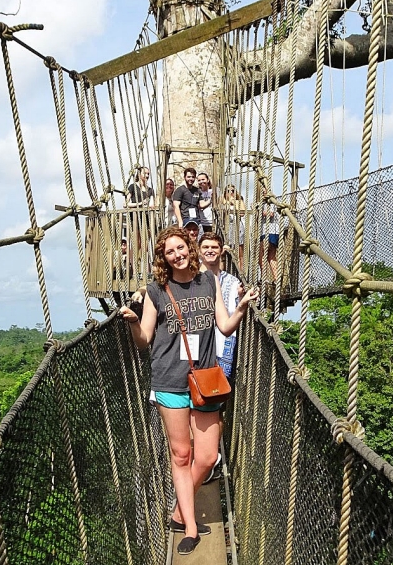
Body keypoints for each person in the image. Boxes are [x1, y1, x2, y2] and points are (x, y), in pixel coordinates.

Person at [120, 227, 258, 556]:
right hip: (169, 381)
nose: (177, 254)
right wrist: (132, 323)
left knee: (208, 456)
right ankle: (190, 526)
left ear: (189, 247)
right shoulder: (156, 290)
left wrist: (241, 307)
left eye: (181, 247)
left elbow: (224, 326)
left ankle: (180, 508)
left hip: (205, 381)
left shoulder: (208, 282)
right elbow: (145, 340)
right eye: (170, 251)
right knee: (181, 455)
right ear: (163, 258)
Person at [198, 232, 244, 483]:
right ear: (199, 250)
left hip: (223, 351)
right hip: (196, 353)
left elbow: (233, 316)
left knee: (216, 408)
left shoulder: (232, 281)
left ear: (221, 251)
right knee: (195, 404)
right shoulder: (191, 279)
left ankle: (211, 456)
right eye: (205, 247)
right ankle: (203, 455)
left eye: (214, 247)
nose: (210, 251)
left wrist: (243, 297)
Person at [126, 166, 155, 253]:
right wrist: (140, 204)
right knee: (136, 243)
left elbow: (152, 204)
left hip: (146, 218)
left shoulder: (150, 190)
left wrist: (151, 206)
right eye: (144, 173)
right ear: (139, 174)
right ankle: (134, 264)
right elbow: (126, 204)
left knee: (145, 244)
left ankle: (143, 264)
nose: (147, 176)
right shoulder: (133, 187)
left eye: (148, 174)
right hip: (135, 218)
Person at [221, 185, 246, 270]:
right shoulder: (222, 201)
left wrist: (233, 201)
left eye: (233, 191)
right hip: (228, 227)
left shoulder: (239, 201)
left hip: (237, 226)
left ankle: (240, 273)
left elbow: (242, 213)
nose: (231, 193)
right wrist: (228, 201)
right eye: (228, 191)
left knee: (239, 253)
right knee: (226, 252)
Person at [259, 190, 279, 282]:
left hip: (270, 231)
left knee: (262, 253)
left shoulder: (271, 203)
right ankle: (276, 278)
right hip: (268, 231)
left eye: (265, 192)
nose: (263, 194)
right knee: (271, 256)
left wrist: (259, 210)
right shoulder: (265, 203)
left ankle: (264, 278)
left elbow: (270, 214)